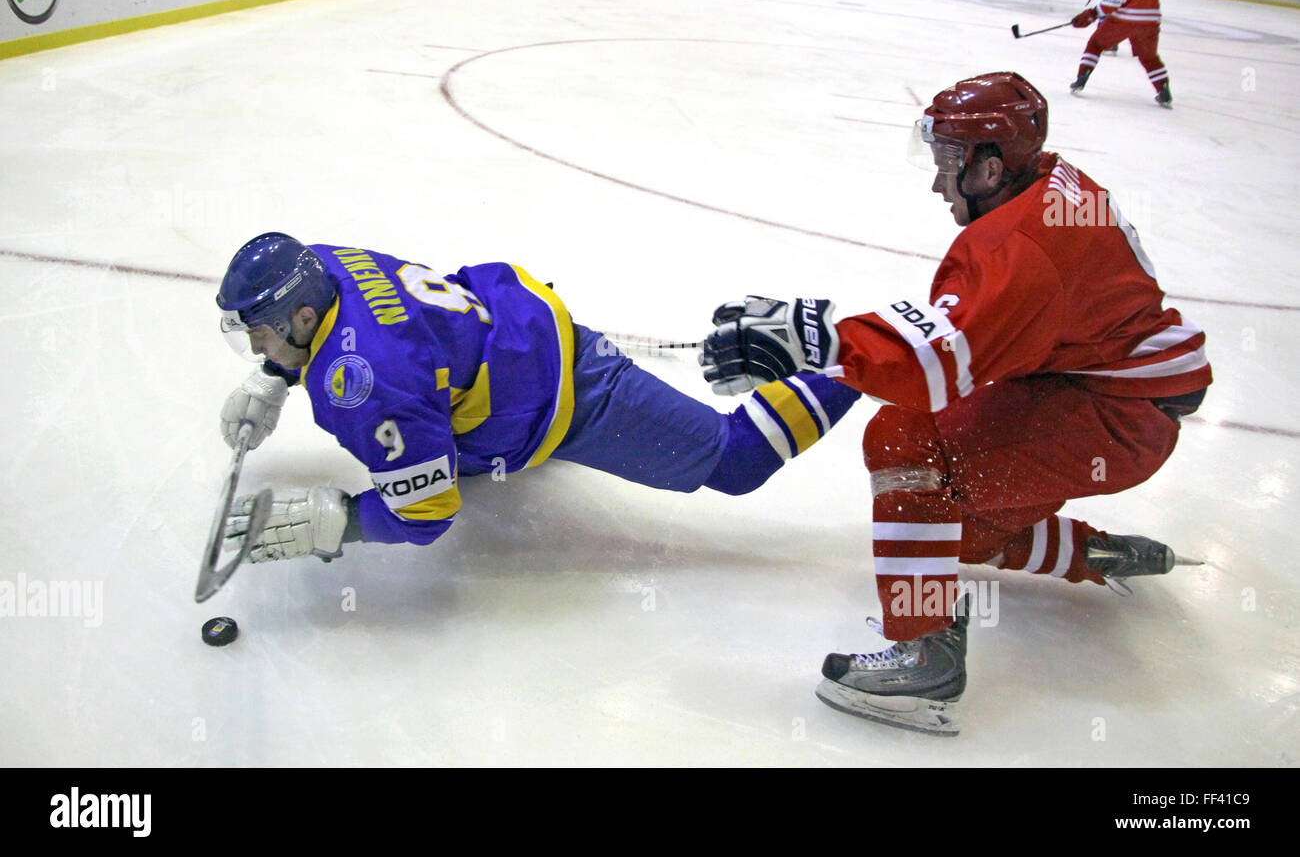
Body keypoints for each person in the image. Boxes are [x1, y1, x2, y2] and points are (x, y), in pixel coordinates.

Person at [698, 72, 1211, 735]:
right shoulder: (1052, 185)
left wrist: (816, 339)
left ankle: (926, 655)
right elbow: (980, 330)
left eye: (947, 164)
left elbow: (935, 368)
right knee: (948, 531)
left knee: (907, 440)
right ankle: (1093, 554)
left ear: (991, 168)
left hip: (1115, 416)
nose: (938, 183)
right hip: (1105, 390)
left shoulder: (1020, 246)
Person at [215, 236, 859, 565]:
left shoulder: (366, 387)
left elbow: (428, 515)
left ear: (302, 315)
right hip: (510, 329)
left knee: (738, 462)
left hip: (570, 395)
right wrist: (274, 375)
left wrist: (342, 521)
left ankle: (855, 351)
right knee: (430, 439)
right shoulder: (324, 262)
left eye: (262, 335)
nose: (256, 345)